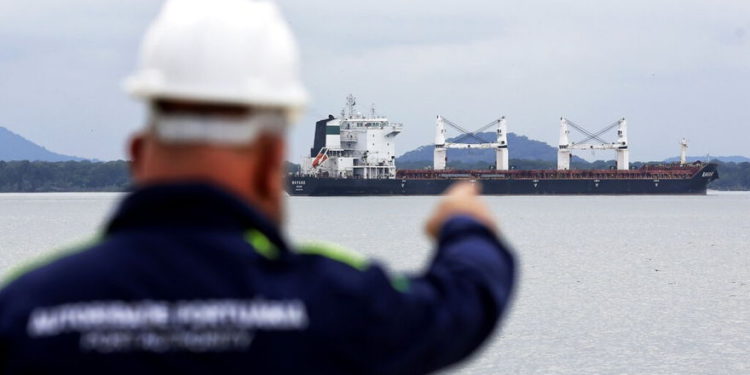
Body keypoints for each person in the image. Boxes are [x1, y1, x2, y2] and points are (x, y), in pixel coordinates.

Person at [0, 1, 516, 374]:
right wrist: (464, 224)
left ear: (137, 154)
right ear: (272, 159)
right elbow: (462, 302)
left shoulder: (22, 309)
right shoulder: (330, 302)